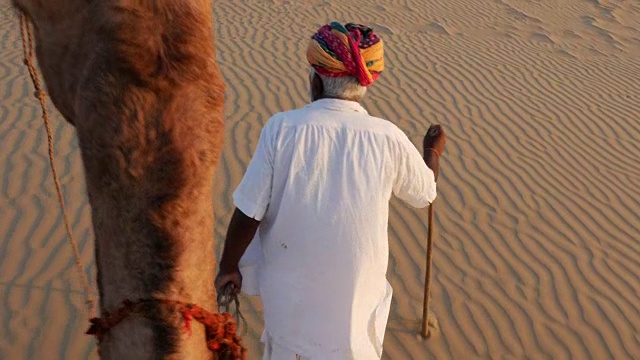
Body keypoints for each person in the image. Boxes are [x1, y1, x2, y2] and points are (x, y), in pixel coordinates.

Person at [215, 22, 447, 360]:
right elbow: (426, 192)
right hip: (357, 314)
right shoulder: (387, 136)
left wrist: (228, 267)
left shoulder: (282, 128)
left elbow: (250, 210)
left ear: (316, 81)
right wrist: (432, 151)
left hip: (288, 309)